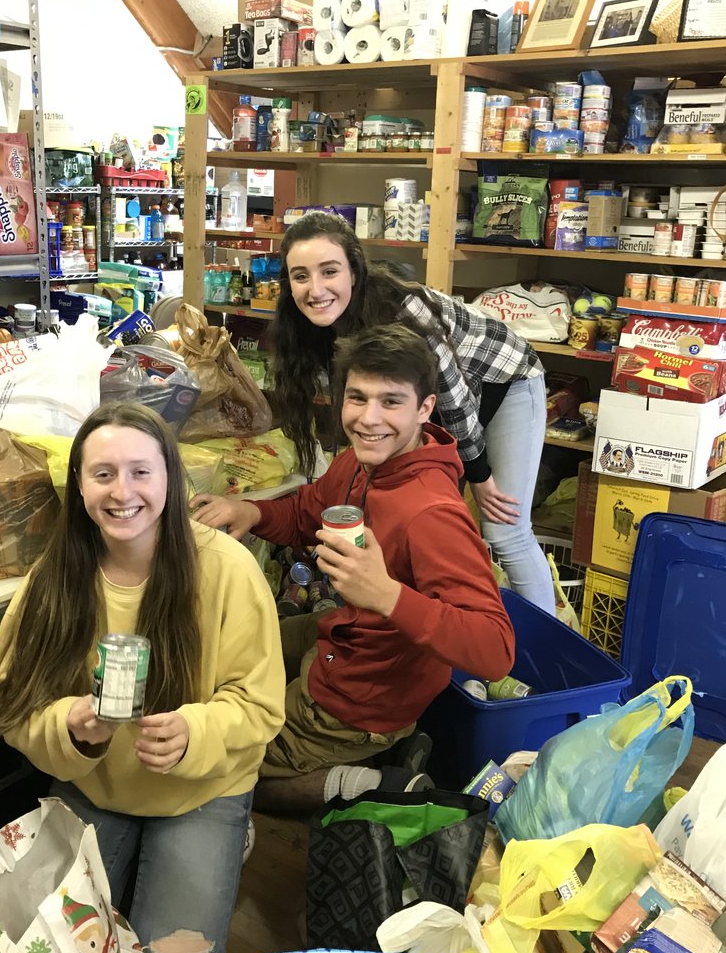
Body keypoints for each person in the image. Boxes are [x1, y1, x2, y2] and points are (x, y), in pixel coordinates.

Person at [0, 402, 285, 953]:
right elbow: (10, 704)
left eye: (141, 472)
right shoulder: (56, 578)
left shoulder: (226, 568)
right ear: (79, 486)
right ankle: (154, 864)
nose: (123, 492)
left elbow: (259, 704)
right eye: (103, 474)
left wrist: (195, 732)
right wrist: (69, 727)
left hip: (202, 791)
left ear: (171, 480)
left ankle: (226, 837)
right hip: (95, 789)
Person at [192, 324, 515, 815]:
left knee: (222, 774)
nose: (368, 419)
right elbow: (308, 510)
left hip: (366, 693)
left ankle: (375, 782)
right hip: (339, 638)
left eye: (390, 402)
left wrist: (386, 595)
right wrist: (253, 513)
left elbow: (495, 650)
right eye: (357, 398)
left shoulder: (431, 513)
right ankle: (382, 751)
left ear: (425, 408)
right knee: (226, 647)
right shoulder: (362, 464)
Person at [269, 210, 555, 613]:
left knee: (505, 528)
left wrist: (480, 475)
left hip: (502, 376)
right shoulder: (308, 323)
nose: (315, 289)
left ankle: (540, 657)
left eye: (329, 271)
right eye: (301, 276)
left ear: (354, 270)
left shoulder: (398, 307)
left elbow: (452, 393)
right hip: (432, 398)